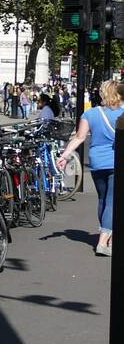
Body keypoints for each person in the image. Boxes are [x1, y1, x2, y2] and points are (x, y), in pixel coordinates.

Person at [59, 79, 120, 256]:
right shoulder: (122, 114)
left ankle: (107, 235)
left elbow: (79, 137)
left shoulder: (90, 114)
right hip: (115, 160)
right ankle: (103, 242)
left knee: (103, 199)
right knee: (112, 200)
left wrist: (64, 155)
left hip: (97, 161)